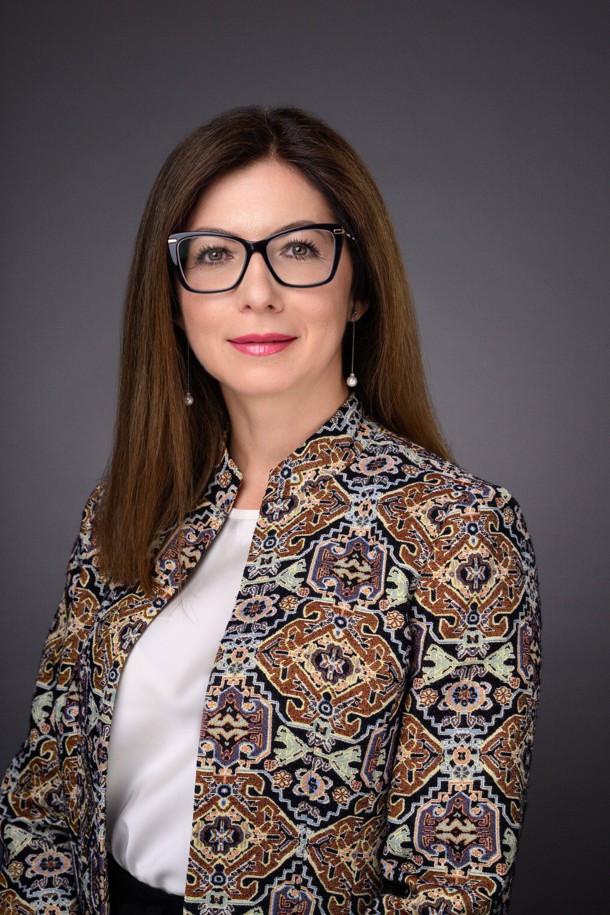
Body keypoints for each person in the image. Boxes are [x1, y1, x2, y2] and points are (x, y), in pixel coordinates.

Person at [0, 106, 540, 915]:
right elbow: (40, 802)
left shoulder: (458, 531)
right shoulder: (126, 509)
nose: (258, 293)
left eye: (298, 250)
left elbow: (453, 883)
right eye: (215, 254)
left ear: (359, 290)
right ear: (174, 298)